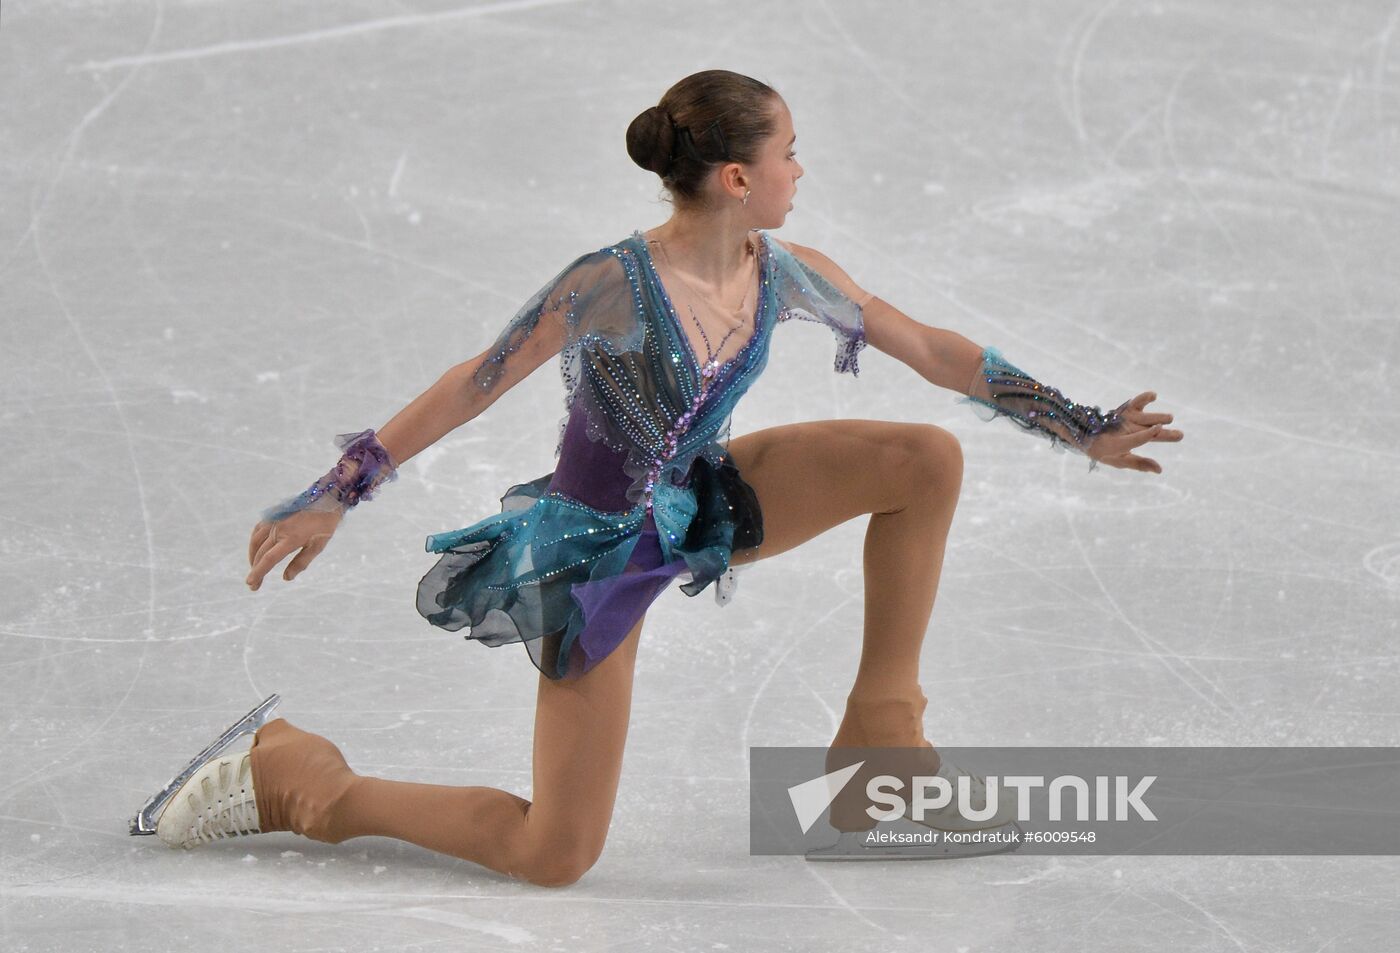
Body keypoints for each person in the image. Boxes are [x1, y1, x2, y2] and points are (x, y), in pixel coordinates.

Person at [132, 69, 1182, 886]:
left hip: (702, 494)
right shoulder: (607, 284)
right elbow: (474, 382)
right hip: (594, 548)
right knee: (554, 852)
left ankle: (877, 752)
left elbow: (930, 349)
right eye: (788, 155)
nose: (799, 173)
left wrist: (1077, 425)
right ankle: (308, 781)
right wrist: (337, 487)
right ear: (736, 177)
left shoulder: (786, 271)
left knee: (921, 458)